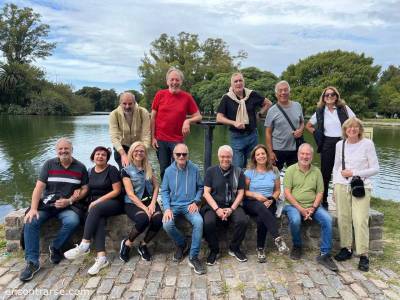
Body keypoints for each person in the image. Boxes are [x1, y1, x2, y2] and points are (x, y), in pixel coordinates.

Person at [20, 138, 89, 282]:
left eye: (66, 148)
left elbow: (85, 189)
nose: (63, 151)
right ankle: (32, 262)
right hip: (47, 205)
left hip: (68, 206)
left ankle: (55, 247)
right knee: (31, 220)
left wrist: (70, 200)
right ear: (56, 150)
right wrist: (33, 208)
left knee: (73, 221)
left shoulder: (80, 167)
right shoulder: (49, 164)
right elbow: (39, 187)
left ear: (72, 149)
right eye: (60, 149)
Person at [64, 147, 122, 275]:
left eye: (103, 155)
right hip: (97, 208)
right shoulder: (90, 171)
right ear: (93, 157)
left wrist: (97, 201)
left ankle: (84, 245)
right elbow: (87, 188)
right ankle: (102, 258)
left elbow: (117, 191)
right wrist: (78, 190)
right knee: (98, 220)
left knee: (95, 208)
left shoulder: (111, 170)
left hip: (114, 202)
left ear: (107, 158)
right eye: (97, 154)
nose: (100, 156)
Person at [332, 117, 379, 272]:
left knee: (360, 220)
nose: (352, 130)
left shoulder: (367, 144)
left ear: (360, 129)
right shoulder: (340, 144)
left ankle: (363, 254)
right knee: (343, 218)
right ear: (345, 130)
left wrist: (354, 173)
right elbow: (336, 167)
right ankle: (346, 248)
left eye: (355, 127)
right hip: (341, 185)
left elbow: (375, 168)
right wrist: (333, 187)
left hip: (361, 186)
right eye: (349, 127)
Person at [283, 143, 338, 272]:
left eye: (308, 154)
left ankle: (325, 254)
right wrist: (301, 209)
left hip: (313, 206)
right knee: (295, 220)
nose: (305, 156)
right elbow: (287, 193)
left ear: (312, 156)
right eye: (302, 153)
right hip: (293, 205)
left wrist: (313, 208)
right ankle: (297, 246)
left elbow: (320, 192)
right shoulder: (290, 170)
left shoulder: (316, 171)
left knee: (328, 220)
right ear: (298, 155)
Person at [305, 86, 355, 209]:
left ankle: (345, 198)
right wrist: (318, 135)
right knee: (325, 173)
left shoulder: (344, 108)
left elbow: (354, 122)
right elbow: (309, 125)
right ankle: (323, 200)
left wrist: (351, 135)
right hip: (327, 142)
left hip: (343, 142)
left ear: (336, 96)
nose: (329, 97)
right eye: (326, 95)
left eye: (332, 94)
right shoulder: (320, 111)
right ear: (323, 97)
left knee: (344, 170)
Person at [161, 144, 205, 275]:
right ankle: (182, 243)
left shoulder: (195, 169)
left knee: (199, 222)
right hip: (173, 206)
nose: (181, 157)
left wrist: (196, 201)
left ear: (188, 155)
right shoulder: (168, 171)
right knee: (167, 224)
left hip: (189, 205)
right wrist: (167, 208)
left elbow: (201, 187)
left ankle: (193, 257)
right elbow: (164, 191)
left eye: (184, 154)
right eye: (178, 154)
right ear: (174, 155)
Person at [151, 67, 202, 179]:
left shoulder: (186, 97)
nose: (174, 82)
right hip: (161, 140)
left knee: (180, 168)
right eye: (172, 79)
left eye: (177, 80)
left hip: (177, 140)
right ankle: (166, 195)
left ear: (181, 82)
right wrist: (153, 138)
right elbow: (153, 117)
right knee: (164, 170)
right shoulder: (160, 95)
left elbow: (198, 116)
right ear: (167, 81)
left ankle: (178, 194)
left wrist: (187, 120)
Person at [202, 145, 249, 265]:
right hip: (214, 205)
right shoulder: (211, 171)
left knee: (242, 220)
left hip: (232, 204)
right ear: (218, 157)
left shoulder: (238, 172)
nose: (225, 159)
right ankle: (214, 250)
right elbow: (206, 193)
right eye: (223, 156)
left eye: (228, 157)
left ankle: (234, 248)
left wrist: (232, 209)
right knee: (208, 222)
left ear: (232, 157)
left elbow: (241, 193)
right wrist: (217, 209)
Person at [243, 144, 289, 263]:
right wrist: (256, 195)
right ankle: (278, 239)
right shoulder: (249, 172)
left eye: (263, 153)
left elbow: (278, 190)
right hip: (252, 201)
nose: (261, 156)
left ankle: (260, 249)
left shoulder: (274, 170)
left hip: (269, 200)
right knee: (260, 207)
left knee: (261, 218)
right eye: (258, 154)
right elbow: (244, 191)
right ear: (254, 157)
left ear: (267, 155)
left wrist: (272, 200)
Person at [119, 142, 163, 262]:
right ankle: (127, 243)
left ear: (145, 153)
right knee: (144, 219)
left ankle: (143, 245)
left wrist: (153, 203)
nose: (139, 153)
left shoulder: (149, 168)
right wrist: (145, 208)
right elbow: (130, 194)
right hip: (132, 203)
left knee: (158, 220)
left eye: (142, 151)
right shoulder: (126, 171)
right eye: (136, 151)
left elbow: (156, 186)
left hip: (150, 201)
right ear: (131, 153)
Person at [216, 72, 272, 168]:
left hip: (252, 135)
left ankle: (251, 183)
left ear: (244, 82)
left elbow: (268, 103)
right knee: (238, 166)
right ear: (231, 85)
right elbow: (219, 118)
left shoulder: (252, 94)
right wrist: (234, 123)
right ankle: (239, 183)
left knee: (253, 165)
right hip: (236, 137)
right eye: (236, 81)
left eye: (240, 80)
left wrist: (260, 113)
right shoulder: (226, 98)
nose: (238, 83)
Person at [265, 80, 304, 170]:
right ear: (276, 94)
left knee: (295, 176)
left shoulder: (297, 106)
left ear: (289, 92)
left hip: (295, 148)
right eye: (280, 90)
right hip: (277, 149)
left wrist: (301, 130)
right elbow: (268, 132)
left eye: (285, 90)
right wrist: (270, 152)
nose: (283, 92)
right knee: (274, 177)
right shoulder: (272, 111)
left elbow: (302, 122)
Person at [109, 92, 151, 169]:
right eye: (124, 104)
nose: (127, 106)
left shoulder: (143, 112)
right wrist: (123, 154)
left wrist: (142, 151)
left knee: (142, 171)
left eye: (130, 104)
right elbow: (114, 137)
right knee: (125, 171)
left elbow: (146, 135)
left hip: (139, 146)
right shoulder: (114, 114)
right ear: (120, 103)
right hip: (122, 146)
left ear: (134, 103)